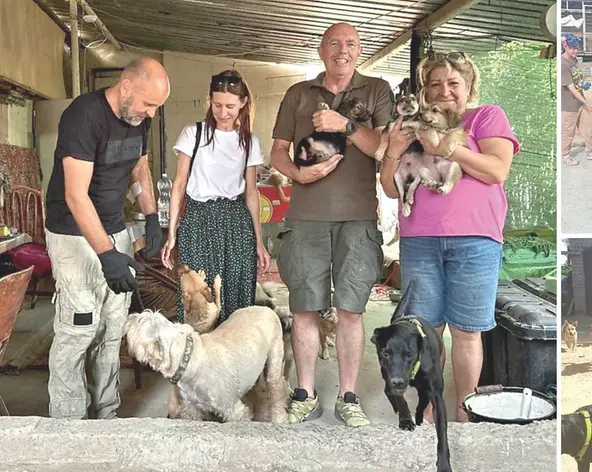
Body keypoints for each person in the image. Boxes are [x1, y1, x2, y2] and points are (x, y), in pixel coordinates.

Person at [378, 51, 520, 422]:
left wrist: (448, 148)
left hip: (476, 238)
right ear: (425, 91)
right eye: (435, 84)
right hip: (420, 238)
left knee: (467, 331)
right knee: (425, 330)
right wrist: (393, 150)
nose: (444, 91)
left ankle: (464, 410)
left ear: (469, 87)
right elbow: (391, 189)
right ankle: (429, 406)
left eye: (453, 83)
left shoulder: (486, 117)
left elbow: (497, 170)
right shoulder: (414, 125)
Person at [269, 22, 394, 427]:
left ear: (360, 51)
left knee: (351, 311)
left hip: (358, 217)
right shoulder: (297, 94)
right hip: (305, 218)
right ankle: (305, 392)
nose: (343, 50)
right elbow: (278, 153)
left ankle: (348, 396)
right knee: (304, 308)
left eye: (352, 44)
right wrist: (297, 176)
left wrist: (346, 126)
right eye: (335, 43)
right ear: (321, 49)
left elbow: (383, 148)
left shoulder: (376, 91)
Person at [43, 57, 169, 419]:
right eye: (148, 104)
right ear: (127, 86)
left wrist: (150, 216)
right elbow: (75, 196)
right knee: (80, 326)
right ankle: (68, 419)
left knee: (112, 328)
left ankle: (106, 412)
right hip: (73, 234)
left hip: (116, 228)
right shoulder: (84, 115)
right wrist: (106, 254)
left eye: (157, 107)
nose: (150, 114)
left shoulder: (138, 119)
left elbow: (140, 167)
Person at [161, 69, 270, 324]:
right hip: (198, 221)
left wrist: (259, 241)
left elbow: (252, 193)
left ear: (243, 103)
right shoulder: (193, 134)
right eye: (217, 105)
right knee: (197, 298)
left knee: (236, 296)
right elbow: (179, 184)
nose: (223, 112)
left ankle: (235, 358)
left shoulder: (249, 142)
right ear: (209, 100)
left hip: (235, 222)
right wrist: (172, 233)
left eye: (230, 106)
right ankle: (199, 360)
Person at [560, 33, 592, 166]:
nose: (575, 51)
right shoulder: (563, 64)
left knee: (588, 126)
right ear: (565, 47)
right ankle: (565, 155)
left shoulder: (574, 60)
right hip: (569, 105)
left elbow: (576, 81)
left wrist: (582, 85)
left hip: (580, 101)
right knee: (568, 131)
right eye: (572, 48)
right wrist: (586, 102)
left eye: (576, 48)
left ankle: (590, 151)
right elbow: (571, 89)